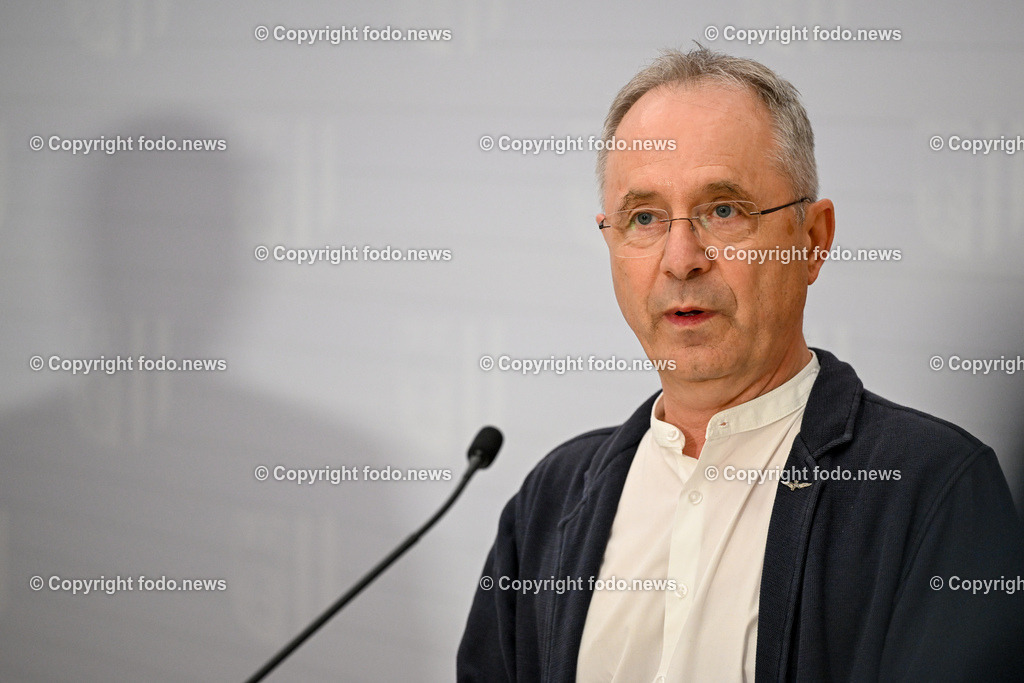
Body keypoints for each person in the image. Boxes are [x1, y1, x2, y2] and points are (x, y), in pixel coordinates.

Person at [457, 46, 1024, 682]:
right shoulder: (550, 499)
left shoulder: (932, 489)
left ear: (812, 240)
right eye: (643, 217)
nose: (681, 259)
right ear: (610, 242)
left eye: (723, 210)